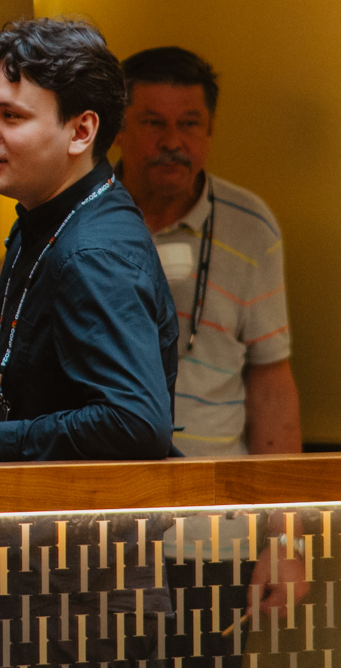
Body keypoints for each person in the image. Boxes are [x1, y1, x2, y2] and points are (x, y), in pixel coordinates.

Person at [0, 18, 178, 464]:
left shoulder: (92, 253)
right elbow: (3, 354)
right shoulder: (43, 219)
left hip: (87, 511)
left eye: (10, 115)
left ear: (81, 132)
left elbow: (136, 424)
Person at [116, 47, 299, 456]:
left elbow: (271, 382)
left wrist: (281, 496)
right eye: (153, 123)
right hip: (102, 484)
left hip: (217, 488)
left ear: (210, 128)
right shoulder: (75, 214)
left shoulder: (250, 226)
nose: (172, 141)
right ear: (116, 128)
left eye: (189, 124)